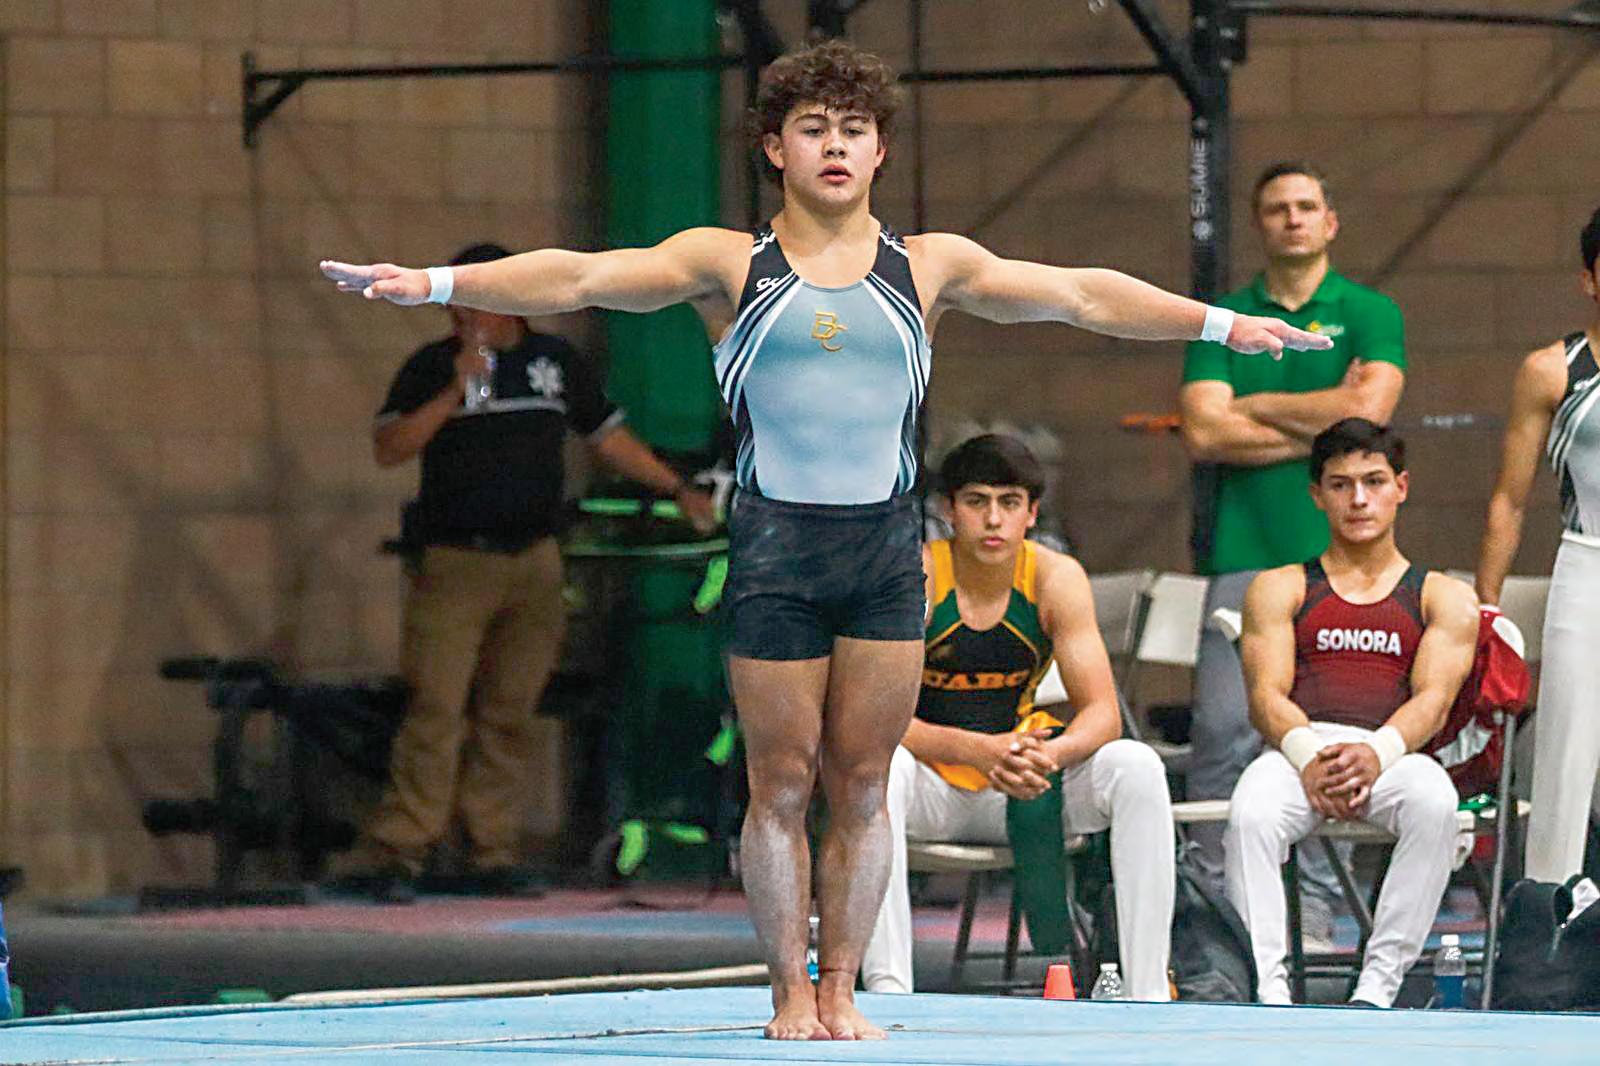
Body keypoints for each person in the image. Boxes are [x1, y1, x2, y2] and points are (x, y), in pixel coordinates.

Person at [320, 41, 1327, 1040]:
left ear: (880, 150)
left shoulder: (927, 266)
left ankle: (841, 989)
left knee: (860, 780)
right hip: (777, 550)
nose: (835, 147)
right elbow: (582, 275)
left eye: (853, 130)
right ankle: (788, 994)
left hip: (884, 550)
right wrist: (439, 284)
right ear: (775, 148)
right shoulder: (728, 263)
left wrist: (1219, 326)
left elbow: (1079, 294)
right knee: (781, 781)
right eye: (813, 130)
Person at [332, 242, 716, 904]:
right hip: (456, 560)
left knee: (509, 711)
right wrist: (455, 388)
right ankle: (401, 849)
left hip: (535, 559)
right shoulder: (431, 366)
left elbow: (606, 436)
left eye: (474, 300)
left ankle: (492, 850)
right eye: (456, 305)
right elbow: (390, 447)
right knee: (435, 708)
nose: (463, 316)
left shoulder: (553, 364)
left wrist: (675, 488)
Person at [1178, 161, 1408, 944]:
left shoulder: (1369, 310)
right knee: (1221, 737)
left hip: (1345, 567)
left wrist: (1256, 405)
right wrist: (1327, 421)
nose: (1293, 218)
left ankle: (1313, 916)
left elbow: (1372, 411)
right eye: (1277, 208)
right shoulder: (1225, 318)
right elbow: (1203, 431)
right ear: (1260, 224)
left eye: (1307, 205)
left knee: (1328, 737)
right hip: (1243, 555)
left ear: (1330, 221)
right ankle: (1216, 921)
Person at [860, 434, 1174, 999]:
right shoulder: (916, 575)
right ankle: (888, 989)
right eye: (976, 501)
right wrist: (978, 750)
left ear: (1032, 513)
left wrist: (1046, 755)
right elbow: (876, 721)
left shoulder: (1055, 578)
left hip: (1023, 781)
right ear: (948, 509)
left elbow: (1103, 715)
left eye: (1009, 503)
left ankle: (1145, 989)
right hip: (934, 788)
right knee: (875, 771)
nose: (993, 520)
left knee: (1137, 766)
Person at [1226, 418, 1478, 1007]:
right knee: (1250, 813)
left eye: (1374, 481)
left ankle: (1376, 991)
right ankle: (1268, 991)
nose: (1359, 499)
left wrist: (1376, 753)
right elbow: (1265, 696)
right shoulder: (1280, 586)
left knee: (1436, 802)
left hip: (1393, 752)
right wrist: (1311, 757)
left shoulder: (1443, 595)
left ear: (1401, 487)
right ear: (1317, 495)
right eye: (1340, 485)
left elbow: (1434, 702)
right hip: (1298, 751)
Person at [1475, 206, 1600, 884]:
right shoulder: (1552, 371)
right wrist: (1486, 610)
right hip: (1589, 562)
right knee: (1565, 753)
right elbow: (1509, 499)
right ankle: (1550, 907)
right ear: (1589, 279)